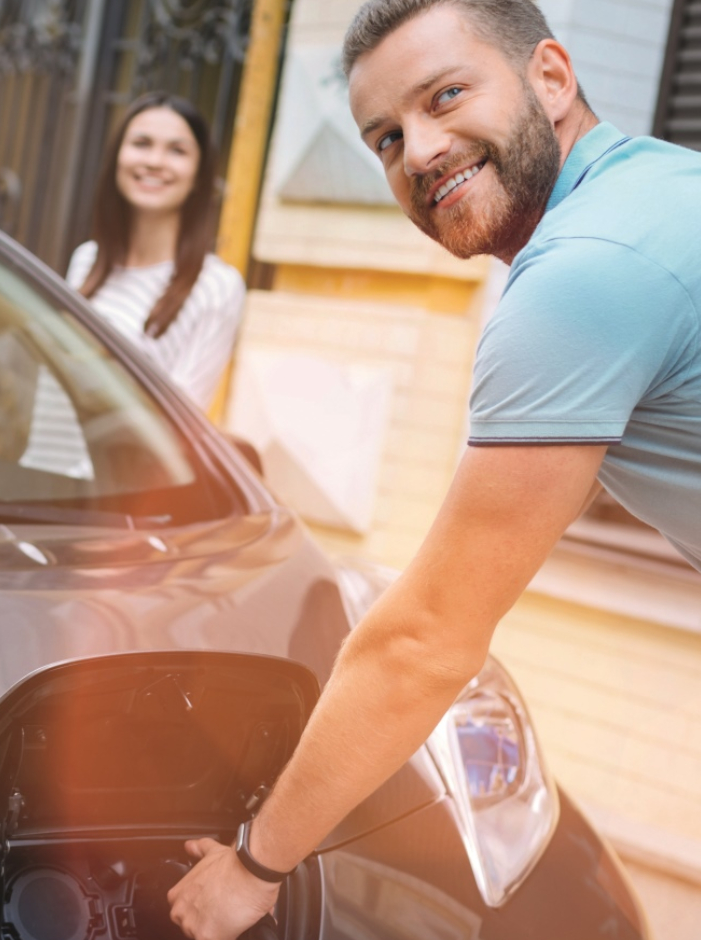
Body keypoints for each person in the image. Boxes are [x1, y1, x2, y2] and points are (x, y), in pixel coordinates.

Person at [168, 1, 701, 936]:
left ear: (551, 76)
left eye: (446, 95)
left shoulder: (582, 274)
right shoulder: (664, 187)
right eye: (384, 137)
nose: (418, 151)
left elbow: (423, 644)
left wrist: (254, 865)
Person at [67, 92, 245, 412]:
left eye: (177, 150)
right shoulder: (86, 260)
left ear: (198, 175)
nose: (154, 161)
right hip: (36, 462)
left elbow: (183, 421)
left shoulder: (216, 287)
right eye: (142, 143)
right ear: (117, 157)